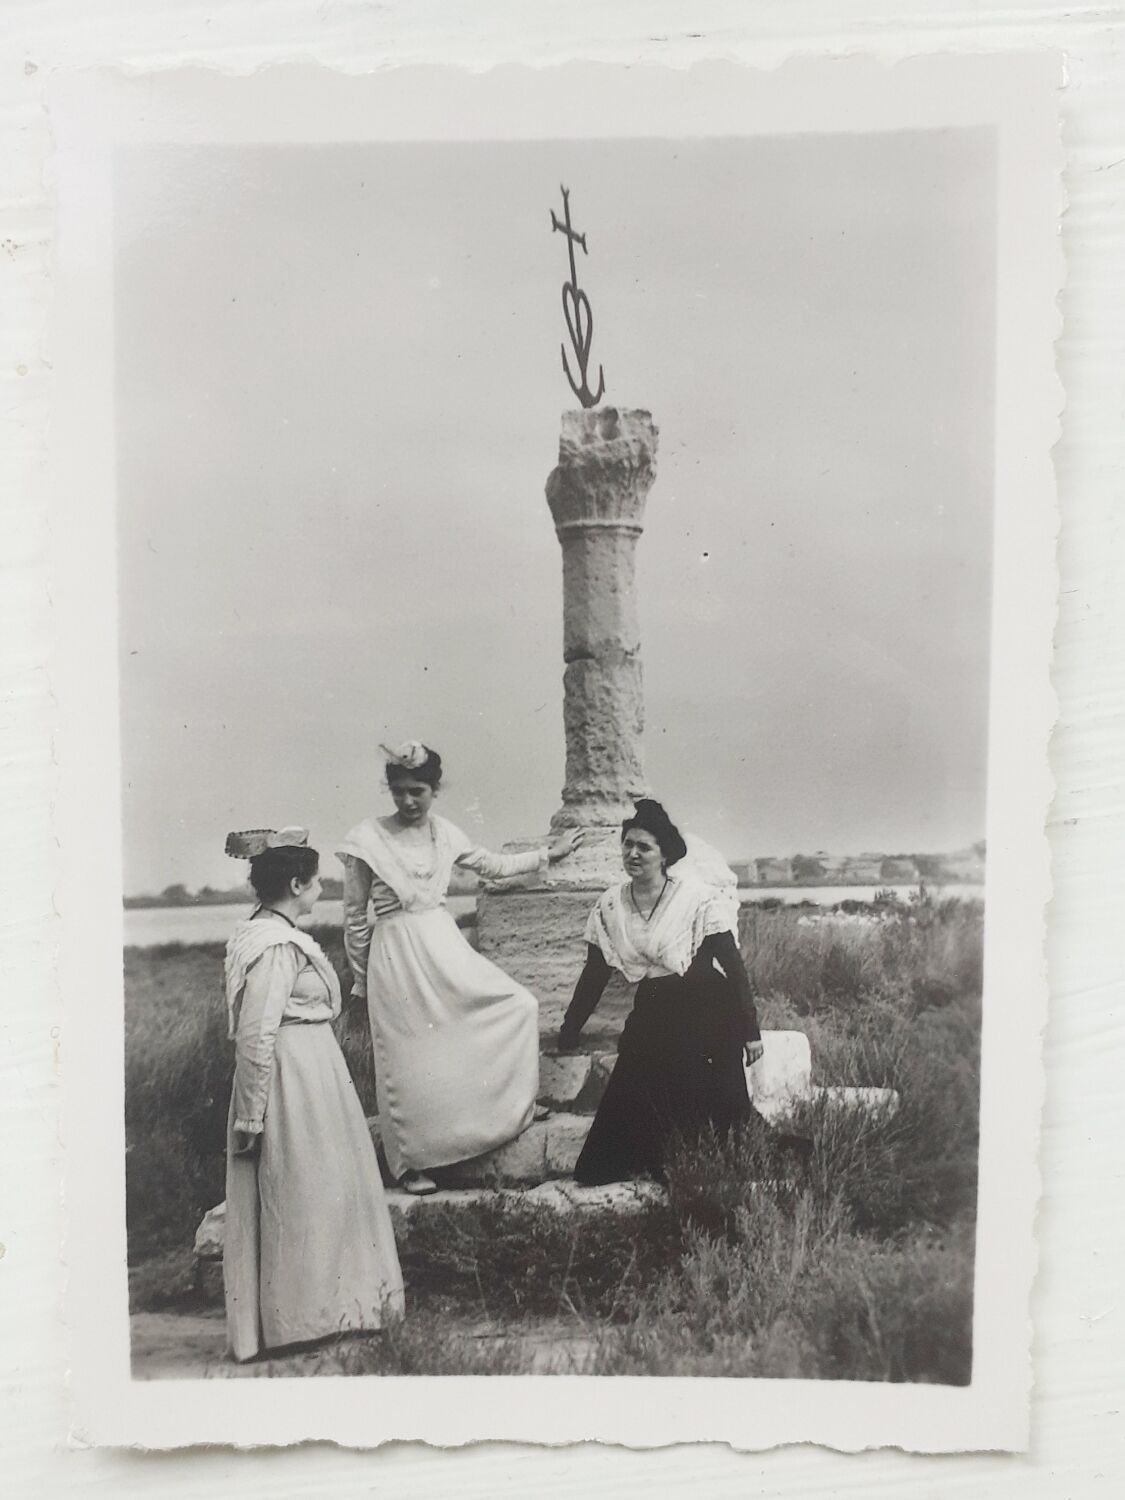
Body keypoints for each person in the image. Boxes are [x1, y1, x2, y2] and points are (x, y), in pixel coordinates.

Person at [339, 741, 582, 1195]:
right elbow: (354, 918)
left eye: (418, 791)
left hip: (443, 944)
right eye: (399, 792)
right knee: (408, 1058)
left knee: (517, 1005)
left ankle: (510, 1109)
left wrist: (550, 852)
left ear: (435, 789)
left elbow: (492, 865)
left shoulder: (445, 834)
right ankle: (410, 1163)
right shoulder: (366, 839)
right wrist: (360, 982)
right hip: (395, 953)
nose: (408, 801)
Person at [222, 827, 404, 1362]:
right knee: (303, 1188)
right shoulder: (274, 944)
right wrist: (252, 1117)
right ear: (297, 884)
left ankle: (334, 1308)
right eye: (315, 881)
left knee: (321, 1188)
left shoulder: (266, 932)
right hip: (291, 1077)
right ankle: (300, 1320)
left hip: (312, 1069)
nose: (321, 889)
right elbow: (255, 1032)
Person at [558, 799, 765, 1186]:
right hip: (653, 1008)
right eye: (628, 845)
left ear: (664, 855)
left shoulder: (697, 899)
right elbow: (594, 973)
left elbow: (733, 967)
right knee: (598, 1164)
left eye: (644, 847)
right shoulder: (610, 906)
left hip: (707, 1011)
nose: (633, 854)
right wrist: (570, 1028)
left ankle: (691, 1161)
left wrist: (749, 1030)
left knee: (693, 1088)